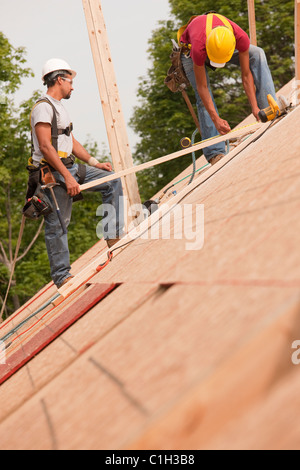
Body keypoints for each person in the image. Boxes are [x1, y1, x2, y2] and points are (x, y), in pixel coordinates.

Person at [30, 58, 125, 288]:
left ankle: (113, 236)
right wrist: (68, 176)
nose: (73, 86)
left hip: (68, 167)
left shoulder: (60, 108)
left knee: (111, 181)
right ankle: (63, 277)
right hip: (51, 173)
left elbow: (69, 141)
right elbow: (45, 146)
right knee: (58, 224)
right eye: (70, 81)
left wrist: (94, 162)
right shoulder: (43, 107)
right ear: (60, 79)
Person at [179, 12, 277, 165]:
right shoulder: (198, 49)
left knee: (257, 53)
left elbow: (246, 75)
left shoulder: (240, 37)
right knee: (204, 98)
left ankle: (269, 111)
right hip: (190, 53)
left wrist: (255, 107)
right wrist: (216, 119)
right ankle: (215, 153)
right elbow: (202, 87)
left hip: (219, 45)